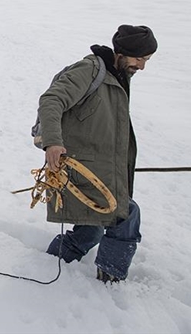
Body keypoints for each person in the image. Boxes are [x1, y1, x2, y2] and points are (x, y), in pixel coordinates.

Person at [35, 24, 158, 283]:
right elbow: (52, 100)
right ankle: (110, 279)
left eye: (146, 60)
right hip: (78, 171)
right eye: (140, 59)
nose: (143, 66)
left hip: (99, 170)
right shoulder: (90, 70)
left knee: (90, 231)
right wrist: (53, 143)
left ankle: (52, 261)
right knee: (124, 215)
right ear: (122, 53)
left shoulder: (118, 76)